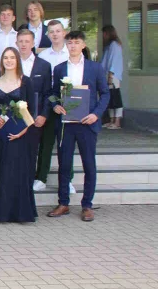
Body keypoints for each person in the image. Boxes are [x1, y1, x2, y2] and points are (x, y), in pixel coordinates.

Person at [47, 31, 110, 222]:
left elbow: (105, 94)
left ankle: (87, 205)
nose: (73, 46)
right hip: (66, 124)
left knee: (89, 164)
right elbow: (52, 93)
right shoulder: (59, 68)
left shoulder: (95, 68)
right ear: (66, 45)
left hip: (87, 123)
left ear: (83, 45)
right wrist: (55, 106)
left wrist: (96, 114)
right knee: (64, 164)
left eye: (76, 42)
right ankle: (63, 203)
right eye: (70, 43)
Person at [0, 47, 38, 223]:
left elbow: (32, 110)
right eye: (5, 57)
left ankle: (18, 213)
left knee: (15, 170)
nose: (9, 61)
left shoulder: (26, 81)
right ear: (1, 61)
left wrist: (23, 130)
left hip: (20, 132)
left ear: (17, 60)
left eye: (12, 57)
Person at [34, 20, 72, 192]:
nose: (55, 34)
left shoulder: (71, 53)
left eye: (58, 31)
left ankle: (67, 180)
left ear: (64, 33)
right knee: (46, 143)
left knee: (66, 144)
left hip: (68, 104)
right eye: (51, 31)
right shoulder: (43, 56)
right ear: (47, 35)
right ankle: (41, 178)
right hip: (48, 102)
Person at [16, 30, 52, 178]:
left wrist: (44, 115)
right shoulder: (11, 63)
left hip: (36, 117)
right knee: (16, 151)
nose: (24, 44)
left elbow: (48, 93)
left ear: (33, 43)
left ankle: (32, 180)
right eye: (21, 41)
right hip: (15, 117)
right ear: (16, 43)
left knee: (33, 151)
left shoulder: (44, 65)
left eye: (27, 41)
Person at [101, 25, 124, 130]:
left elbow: (113, 60)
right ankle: (111, 120)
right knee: (110, 97)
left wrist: (110, 74)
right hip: (108, 74)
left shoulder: (114, 45)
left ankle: (117, 121)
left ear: (108, 33)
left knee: (115, 97)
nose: (103, 36)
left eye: (104, 33)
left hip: (113, 75)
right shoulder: (110, 45)